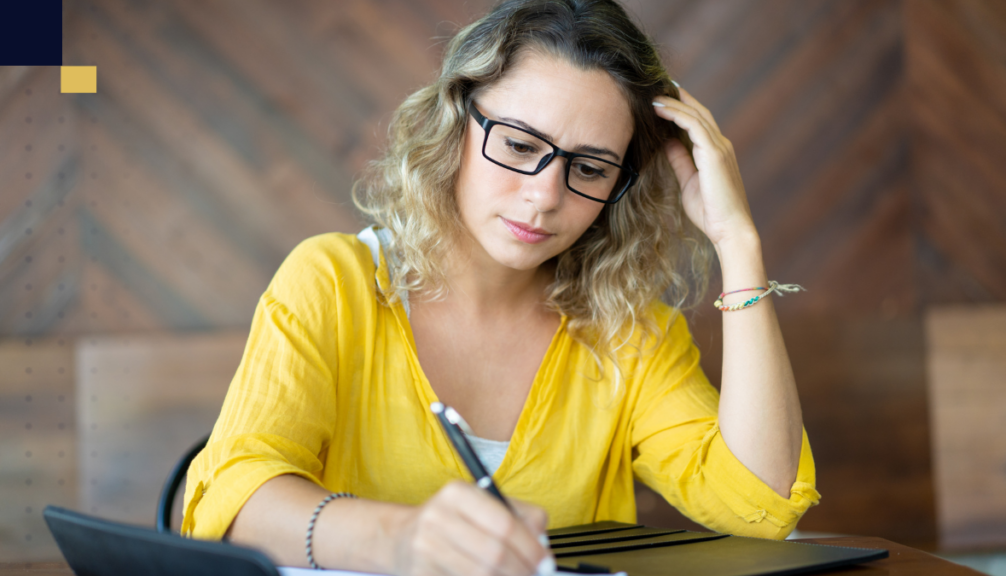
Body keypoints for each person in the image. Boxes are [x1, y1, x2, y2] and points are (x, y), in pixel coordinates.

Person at [181, 0, 820, 574]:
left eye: (591, 167)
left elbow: (762, 504)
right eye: (518, 145)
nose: (544, 197)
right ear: (456, 123)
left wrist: (738, 242)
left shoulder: (629, 333)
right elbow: (231, 503)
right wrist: (403, 542)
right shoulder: (333, 282)